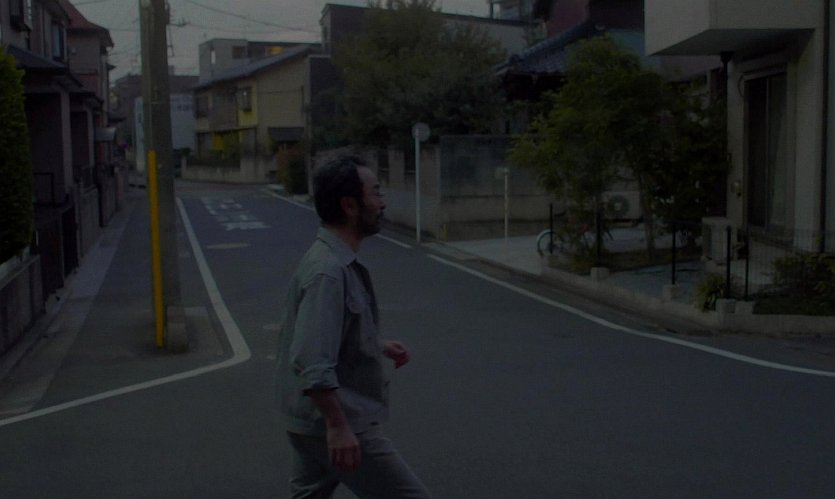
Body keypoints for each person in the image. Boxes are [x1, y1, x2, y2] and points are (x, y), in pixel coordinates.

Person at [275, 155, 432, 499]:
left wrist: (377, 344)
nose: (382, 202)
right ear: (349, 205)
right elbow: (312, 359)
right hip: (333, 421)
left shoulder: (331, 260)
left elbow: (327, 330)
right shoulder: (329, 272)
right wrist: (337, 425)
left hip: (309, 421)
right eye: (375, 192)